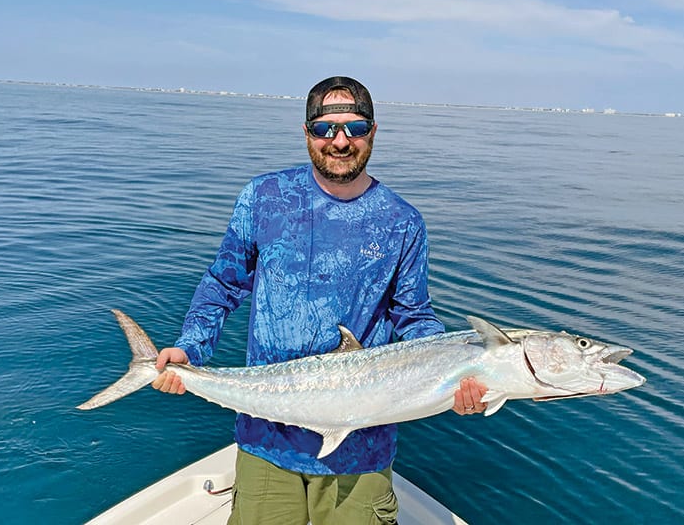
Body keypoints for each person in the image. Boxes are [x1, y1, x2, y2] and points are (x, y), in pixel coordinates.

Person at [152, 76, 487, 525]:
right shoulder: (265, 198)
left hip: (361, 447)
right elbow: (223, 283)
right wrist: (190, 347)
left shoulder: (402, 221)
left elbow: (414, 315)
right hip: (266, 435)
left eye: (355, 127)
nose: (341, 141)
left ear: (373, 131)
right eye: (326, 128)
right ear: (307, 132)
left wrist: (455, 374)